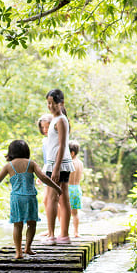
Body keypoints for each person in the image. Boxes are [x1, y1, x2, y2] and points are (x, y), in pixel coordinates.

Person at [0, 140, 61, 260]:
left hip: (16, 199)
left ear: (11, 152)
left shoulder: (9, 166)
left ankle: (18, 252)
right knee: (32, 224)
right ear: (26, 151)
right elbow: (43, 177)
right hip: (30, 197)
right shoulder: (31, 163)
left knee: (17, 225)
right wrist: (56, 187)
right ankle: (28, 248)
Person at [43, 88, 75, 244]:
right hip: (59, 163)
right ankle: (64, 236)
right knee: (62, 198)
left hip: (58, 164)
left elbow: (62, 145)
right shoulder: (57, 119)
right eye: (48, 103)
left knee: (53, 198)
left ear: (61, 103)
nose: (50, 106)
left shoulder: (61, 120)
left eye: (53, 103)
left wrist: (55, 169)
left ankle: (52, 236)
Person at [36, 113, 53, 236]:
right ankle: (50, 229)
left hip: (55, 172)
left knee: (52, 200)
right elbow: (46, 160)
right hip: (48, 171)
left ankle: (56, 229)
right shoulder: (45, 140)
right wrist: (41, 175)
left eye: (47, 127)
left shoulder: (56, 140)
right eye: (43, 127)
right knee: (46, 201)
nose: (45, 129)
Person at [68, 141, 85, 238]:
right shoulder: (80, 163)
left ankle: (64, 231)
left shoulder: (70, 163)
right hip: (77, 188)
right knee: (75, 213)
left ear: (72, 153)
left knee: (65, 211)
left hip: (69, 188)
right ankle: (76, 232)